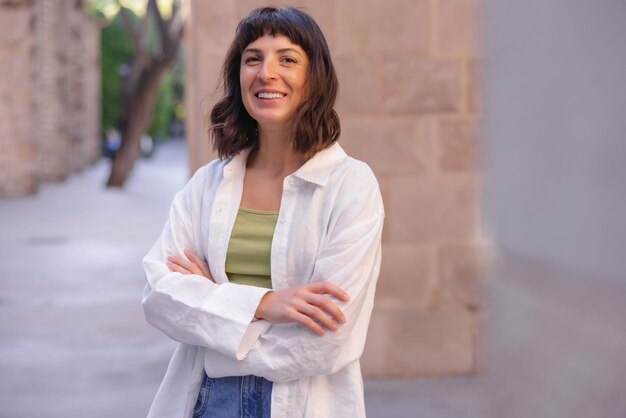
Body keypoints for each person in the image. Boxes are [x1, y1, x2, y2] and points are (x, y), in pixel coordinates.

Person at [142, 6, 384, 418]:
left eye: (287, 59)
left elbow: (325, 340)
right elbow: (159, 297)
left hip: (306, 403)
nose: (266, 72)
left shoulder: (351, 186)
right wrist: (266, 304)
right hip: (207, 401)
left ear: (315, 77)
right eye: (252, 58)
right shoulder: (206, 184)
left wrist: (213, 307)